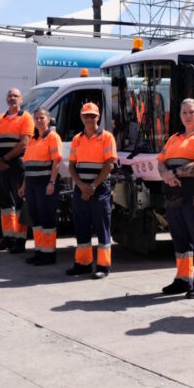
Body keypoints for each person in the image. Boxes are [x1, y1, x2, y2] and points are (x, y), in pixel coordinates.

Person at [157, 98, 194, 298]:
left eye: (191, 112)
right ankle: (183, 279)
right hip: (174, 193)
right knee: (180, 239)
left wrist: (175, 173)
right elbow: (161, 161)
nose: (187, 116)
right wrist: (165, 174)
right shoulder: (174, 138)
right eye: (184, 112)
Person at [67, 102, 117, 279]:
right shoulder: (77, 139)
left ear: (98, 117)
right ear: (81, 117)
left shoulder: (107, 137)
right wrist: (81, 186)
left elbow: (109, 164)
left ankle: (103, 266)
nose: (89, 118)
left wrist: (93, 186)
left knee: (102, 227)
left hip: (100, 188)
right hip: (81, 189)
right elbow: (72, 166)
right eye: (86, 115)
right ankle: (83, 264)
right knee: (81, 227)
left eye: (92, 115)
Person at [18, 109, 62, 265]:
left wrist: (52, 182)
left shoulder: (53, 137)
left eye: (42, 118)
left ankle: (49, 255)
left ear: (48, 119)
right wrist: (24, 185)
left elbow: (56, 162)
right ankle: (39, 251)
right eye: (36, 118)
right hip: (31, 184)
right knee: (35, 218)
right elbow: (28, 165)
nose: (38, 120)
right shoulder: (32, 139)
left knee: (46, 218)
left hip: (45, 183)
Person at [0, 88, 33, 253]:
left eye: (15, 96)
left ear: (21, 99)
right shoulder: (0, 118)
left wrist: (4, 159)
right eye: (9, 95)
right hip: (1, 165)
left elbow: (24, 143)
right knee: (5, 203)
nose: (12, 98)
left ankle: (19, 240)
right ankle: (8, 237)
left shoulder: (26, 117)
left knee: (19, 202)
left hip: (16, 163)